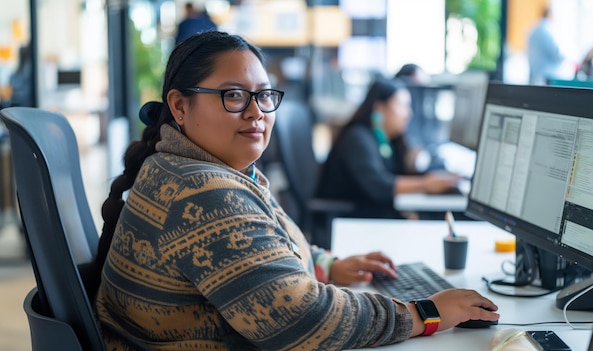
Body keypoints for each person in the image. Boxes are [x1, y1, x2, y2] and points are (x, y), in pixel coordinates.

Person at [94, 31, 499, 350]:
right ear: (180, 107)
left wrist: (324, 266)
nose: (256, 112)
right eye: (233, 95)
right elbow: (303, 321)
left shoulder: (199, 168)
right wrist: (425, 313)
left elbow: (262, 245)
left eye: (264, 95)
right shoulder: (202, 190)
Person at [316, 78, 462, 220]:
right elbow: (380, 186)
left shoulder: (385, 139)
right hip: (348, 220)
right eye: (402, 106)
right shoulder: (357, 138)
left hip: (369, 216)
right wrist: (425, 184)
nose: (408, 113)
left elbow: (395, 173)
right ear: (380, 108)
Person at [527, 8, 565, 84]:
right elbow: (555, 54)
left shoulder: (533, 29)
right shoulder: (546, 31)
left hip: (534, 75)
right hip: (546, 76)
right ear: (549, 15)